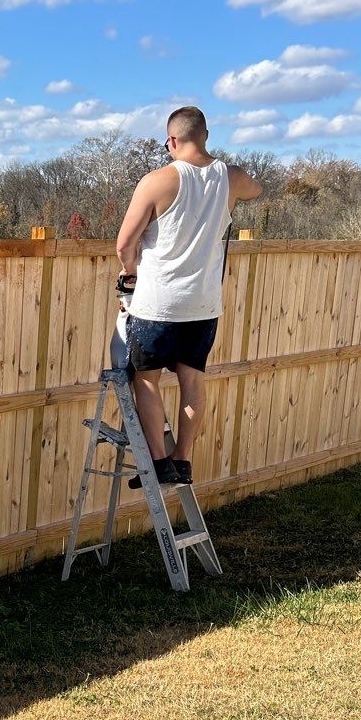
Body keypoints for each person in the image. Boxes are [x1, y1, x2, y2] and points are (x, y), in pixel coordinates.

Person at [115, 105, 262, 487]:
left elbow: (124, 243)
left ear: (172, 140)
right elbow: (256, 189)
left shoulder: (157, 181)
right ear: (206, 136)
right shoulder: (231, 177)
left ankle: (161, 463)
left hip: (157, 304)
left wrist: (129, 273)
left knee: (145, 379)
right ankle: (183, 460)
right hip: (203, 304)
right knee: (192, 381)